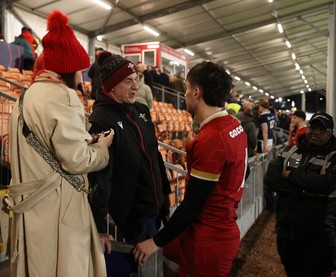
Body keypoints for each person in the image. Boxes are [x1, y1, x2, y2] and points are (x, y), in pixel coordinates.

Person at [2, 10, 114, 277]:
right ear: (67, 68)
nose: (81, 79)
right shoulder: (63, 96)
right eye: (79, 70)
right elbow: (77, 160)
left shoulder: (24, 97)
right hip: (58, 209)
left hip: (29, 207)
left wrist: (85, 141)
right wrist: (101, 148)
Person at [133, 61, 248, 277]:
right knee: (169, 255)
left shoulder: (212, 138)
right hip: (213, 228)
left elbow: (193, 205)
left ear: (196, 92)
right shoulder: (233, 126)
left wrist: (155, 242)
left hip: (210, 236)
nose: (184, 94)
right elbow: (245, 170)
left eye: (186, 89)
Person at [88, 51, 171, 244]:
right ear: (111, 86)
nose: (135, 86)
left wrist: (165, 193)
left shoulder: (140, 110)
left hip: (155, 204)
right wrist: (100, 228)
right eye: (127, 81)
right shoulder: (101, 119)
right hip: (132, 215)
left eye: (136, 79)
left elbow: (154, 154)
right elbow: (100, 177)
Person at [264, 111, 336, 277]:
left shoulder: (332, 157)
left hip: (317, 239)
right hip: (286, 233)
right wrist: (302, 191)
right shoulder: (291, 150)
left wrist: (291, 176)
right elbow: (271, 178)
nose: (315, 132)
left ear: (330, 133)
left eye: (321, 129)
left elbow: (326, 183)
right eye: (313, 127)